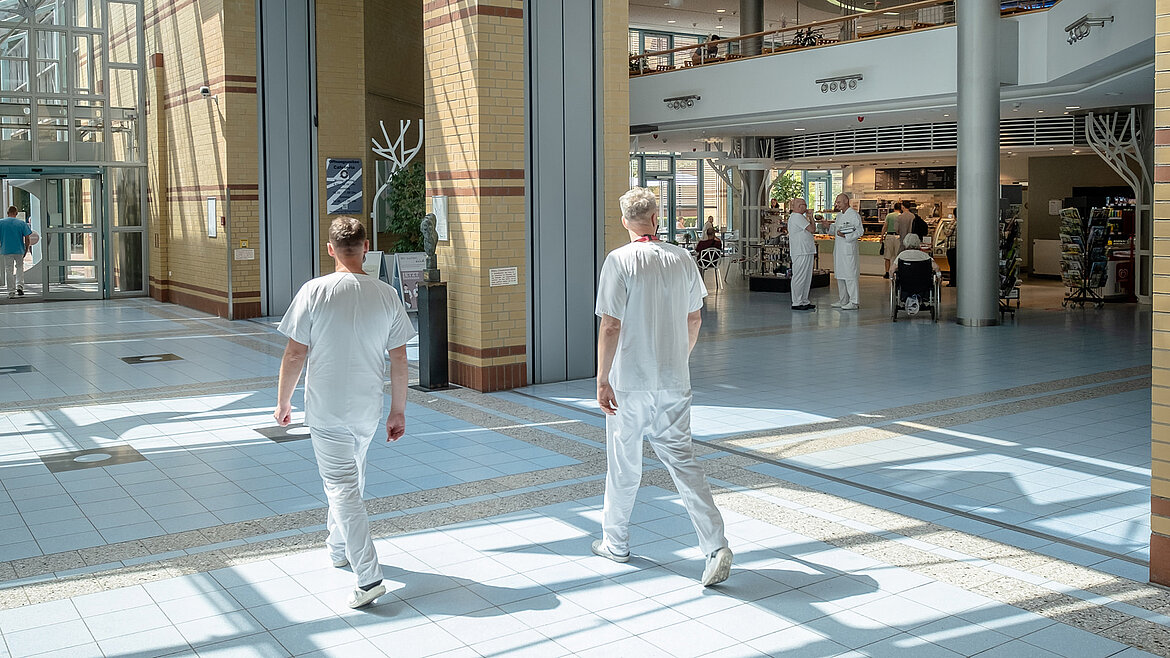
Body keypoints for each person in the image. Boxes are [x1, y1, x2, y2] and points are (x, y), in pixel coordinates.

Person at [592, 187, 733, 588]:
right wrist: (677, 361)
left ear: (624, 222)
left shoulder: (618, 260)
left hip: (629, 383)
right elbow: (695, 320)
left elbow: (610, 324)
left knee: (624, 464)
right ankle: (715, 545)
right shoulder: (682, 258)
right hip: (674, 381)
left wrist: (603, 378)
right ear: (657, 218)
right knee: (683, 460)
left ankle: (614, 543)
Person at [274, 216, 414, 609]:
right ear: (366, 247)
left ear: (331, 249)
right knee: (352, 480)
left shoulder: (314, 291)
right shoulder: (386, 294)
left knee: (342, 487)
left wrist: (283, 401)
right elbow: (400, 358)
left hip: (326, 408)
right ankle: (338, 547)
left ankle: (368, 577)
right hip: (367, 408)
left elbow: (295, 352)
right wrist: (398, 410)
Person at [890, 232, 940, 316]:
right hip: (923, 285)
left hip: (905, 285)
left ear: (905, 243)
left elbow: (891, 270)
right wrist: (938, 276)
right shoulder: (925, 256)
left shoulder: (901, 255)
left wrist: (891, 278)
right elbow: (936, 268)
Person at [829, 193, 863, 310]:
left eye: (839, 202)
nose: (836, 204)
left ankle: (854, 301)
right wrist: (829, 226)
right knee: (840, 275)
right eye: (836, 202)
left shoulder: (854, 215)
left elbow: (860, 231)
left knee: (850, 276)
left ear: (846, 202)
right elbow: (835, 229)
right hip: (839, 250)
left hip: (848, 249)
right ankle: (843, 300)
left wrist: (846, 236)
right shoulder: (839, 215)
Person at [787, 197, 816, 311]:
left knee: (806, 277)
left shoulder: (800, 217)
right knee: (800, 276)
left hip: (806, 250)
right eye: (804, 204)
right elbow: (812, 229)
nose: (806, 207)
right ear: (799, 206)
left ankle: (804, 300)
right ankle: (797, 301)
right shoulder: (797, 217)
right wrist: (811, 217)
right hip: (801, 251)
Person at [0, 206, 31, 299]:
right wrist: (26, 250)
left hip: (6, 249)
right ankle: (20, 286)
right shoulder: (21, 223)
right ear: (16, 213)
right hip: (19, 250)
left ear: (7, 212)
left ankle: (11, 291)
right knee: (20, 268)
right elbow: (27, 239)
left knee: (8, 269)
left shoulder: (1, 223)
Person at [882, 203, 904, 279]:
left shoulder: (889, 215)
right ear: (901, 208)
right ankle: (896, 272)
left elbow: (885, 226)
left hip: (889, 236)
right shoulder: (901, 216)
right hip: (898, 237)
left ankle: (887, 273)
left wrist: (882, 236)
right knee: (897, 256)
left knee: (887, 256)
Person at [945, 211, 957, 287]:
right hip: (957, 247)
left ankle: (952, 282)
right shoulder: (964, 221)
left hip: (952, 247)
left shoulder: (954, 222)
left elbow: (947, 232)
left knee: (952, 266)